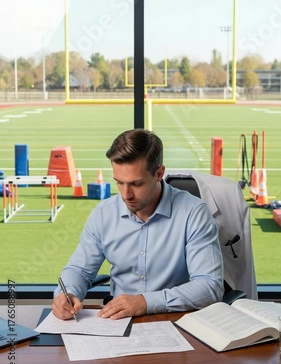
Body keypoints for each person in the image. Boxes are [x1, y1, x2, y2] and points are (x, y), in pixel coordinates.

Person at [52, 129, 224, 320]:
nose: (126, 195)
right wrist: (66, 293)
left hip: (175, 321)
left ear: (159, 173)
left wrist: (145, 302)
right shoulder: (103, 214)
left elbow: (210, 286)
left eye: (136, 184)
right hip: (118, 323)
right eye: (120, 182)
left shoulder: (193, 213)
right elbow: (79, 270)